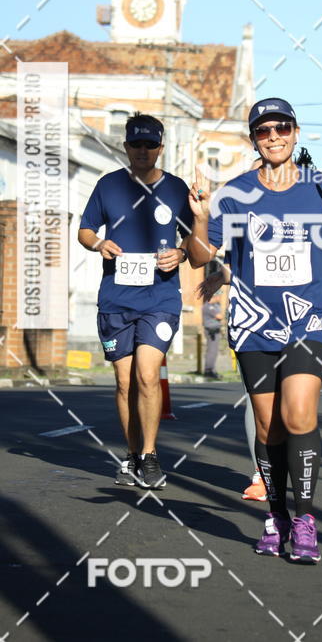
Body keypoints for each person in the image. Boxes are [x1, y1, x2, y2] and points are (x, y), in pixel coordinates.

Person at [187, 97, 322, 563]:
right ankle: (275, 518)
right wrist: (198, 216)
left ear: (296, 133)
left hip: (308, 319)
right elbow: (198, 257)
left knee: (299, 417)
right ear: (253, 138)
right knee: (269, 427)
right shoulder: (232, 194)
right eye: (263, 131)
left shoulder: (321, 188)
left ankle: (306, 519)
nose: (273, 137)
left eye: (282, 128)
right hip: (253, 322)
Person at [78, 113, 192, 489]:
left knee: (147, 376)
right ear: (126, 147)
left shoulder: (177, 189)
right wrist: (98, 243)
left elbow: (200, 238)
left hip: (159, 297)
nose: (143, 151)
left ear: (160, 148)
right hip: (116, 298)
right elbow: (85, 230)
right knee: (124, 381)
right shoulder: (108, 185)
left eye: (151, 145)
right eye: (136, 144)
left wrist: (181, 252)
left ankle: (151, 455)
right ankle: (131, 454)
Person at [196, 267, 267, 502]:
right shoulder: (241, 230)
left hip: (302, 314)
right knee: (254, 395)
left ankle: (291, 471)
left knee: (294, 402)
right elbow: (232, 257)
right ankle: (261, 474)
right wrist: (219, 275)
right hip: (251, 319)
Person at [202, 292, 223, 380]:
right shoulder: (208, 306)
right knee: (211, 351)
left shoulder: (216, 305)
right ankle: (208, 370)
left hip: (216, 330)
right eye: (219, 296)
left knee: (214, 351)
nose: (220, 298)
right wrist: (218, 317)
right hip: (211, 331)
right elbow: (220, 316)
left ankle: (212, 369)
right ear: (215, 296)